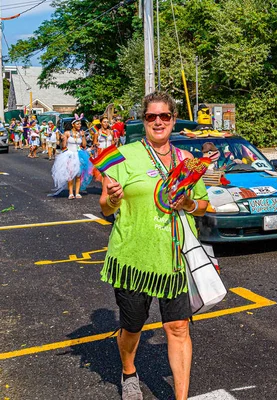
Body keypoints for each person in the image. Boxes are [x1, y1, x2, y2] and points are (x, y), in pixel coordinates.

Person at [99, 92, 209, 400]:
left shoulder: (187, 161)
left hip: (174, 259)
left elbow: (203, 206)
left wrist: (188, 202)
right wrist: (114, 199)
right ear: (143, 121)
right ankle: (129, 371)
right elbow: (105, 207)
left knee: (178, 328)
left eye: (164, 116)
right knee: (132, 328)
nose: (158, 122)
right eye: (151, 117)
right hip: (134, 258)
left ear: (173, 120)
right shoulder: (125, 155)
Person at [50, 115, 93, 199]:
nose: (79, 126)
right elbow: (63, 146)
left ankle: (77, 192)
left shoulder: (81, 133)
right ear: (73, 125)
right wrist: (62, 139)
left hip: (79, 155)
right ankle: (70, 193)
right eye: (77, 124)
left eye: (80, 124)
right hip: (69, 155)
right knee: (70, 175)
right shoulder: (67, 133)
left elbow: (84, 145)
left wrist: (83, 136)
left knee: (78, 174)